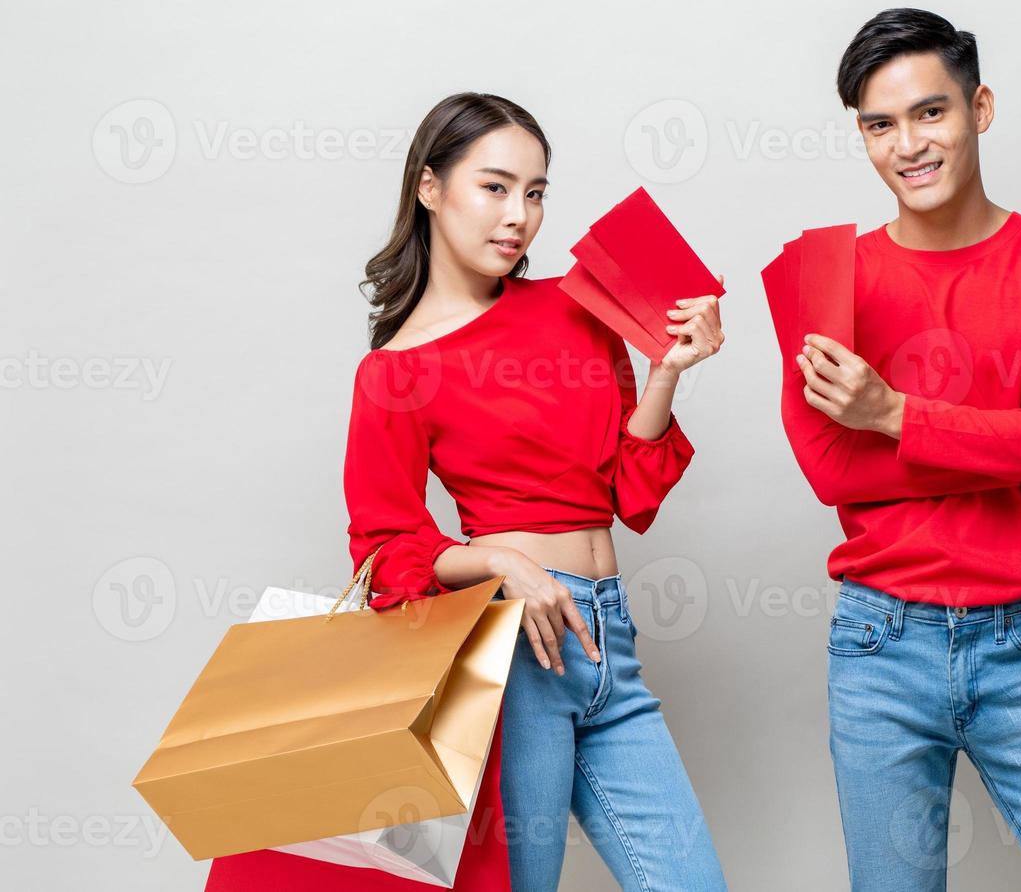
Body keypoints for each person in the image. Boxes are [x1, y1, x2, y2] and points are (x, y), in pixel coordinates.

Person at [207, 92, 727, 892]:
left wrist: (665, 374)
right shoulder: (396, 371)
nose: (518, 215)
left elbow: (631, 495)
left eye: (536, 191)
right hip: (514, 655)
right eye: (495, 186)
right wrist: (497, 563)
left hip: (608, 645)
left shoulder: (574, 311)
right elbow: (382, 551)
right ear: (429, 187)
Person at [777, 9, 1021, 890]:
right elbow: (831, 468)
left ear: (979, 109)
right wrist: (1007, 436)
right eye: (880, 124)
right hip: (880, 644)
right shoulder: (827, 276)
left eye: (930, 113)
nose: (908, 144)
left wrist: (895, 414)